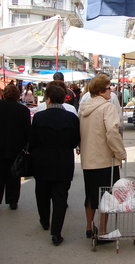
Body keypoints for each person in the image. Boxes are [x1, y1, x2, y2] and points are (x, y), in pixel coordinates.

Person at [29, 83, 80, 246]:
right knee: (60, 198)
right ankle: (56, 233)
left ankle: (44, 220)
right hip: (63, 162)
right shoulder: (71, 118)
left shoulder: (39, 117)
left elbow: (32, 141)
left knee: (42, 193)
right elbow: (74, 141)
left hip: (41, 161)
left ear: (48, 99)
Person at [79, 74, 126, 239]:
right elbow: (112, 132)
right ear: (100, 91)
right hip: (105, 160)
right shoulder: (107, 107)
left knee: (90, 195)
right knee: (106, 196)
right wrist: (121, 153)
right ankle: (104, 231)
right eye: (108, 88)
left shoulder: (84, 108)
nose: (110, 90)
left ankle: (89, 226)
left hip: (88, 159)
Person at [0, 85, 31, 210]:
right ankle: (12, 201)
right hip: (16, 148)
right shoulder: (23, 110)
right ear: (18, 95)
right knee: (14, 175)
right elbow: (27, 131)